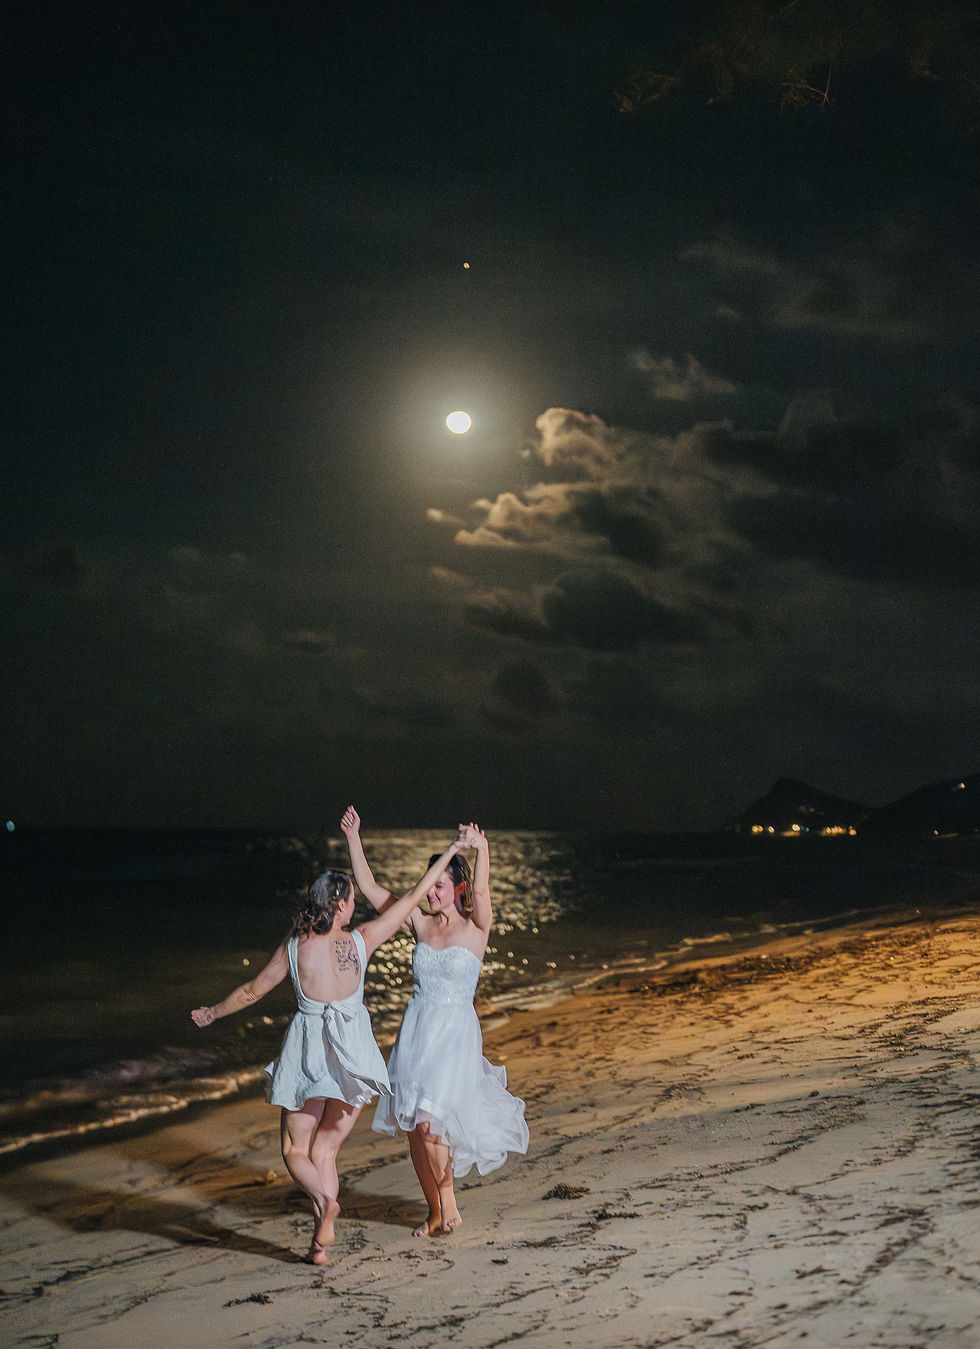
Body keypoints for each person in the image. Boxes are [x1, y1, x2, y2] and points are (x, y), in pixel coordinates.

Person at [191, 834, 465, 1265]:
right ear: (339, 907)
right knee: (326, 1152)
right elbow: (413, 897)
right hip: (353, 1061)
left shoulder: (294, 947)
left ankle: (323, 1202)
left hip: (309, 1058)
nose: (355, 906)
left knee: (295, 1151)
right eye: (351, 900)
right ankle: (320, 1244)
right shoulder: (361, 941)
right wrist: (450, 853)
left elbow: (251, 991)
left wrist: (213, 1013)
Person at [341, 806, 529, 1237]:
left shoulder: (476, 927)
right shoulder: (420, 924)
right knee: (414, 1128)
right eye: (431, 886)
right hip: (418, 1032)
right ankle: (436, 1210)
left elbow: (482, 897)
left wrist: (481, 848)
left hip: (455, 1036)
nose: (430, 893)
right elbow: (369, 888)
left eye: (439, 886)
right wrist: (354, 837)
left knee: (429, 1121)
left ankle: (448, 1205)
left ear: (456, 887)